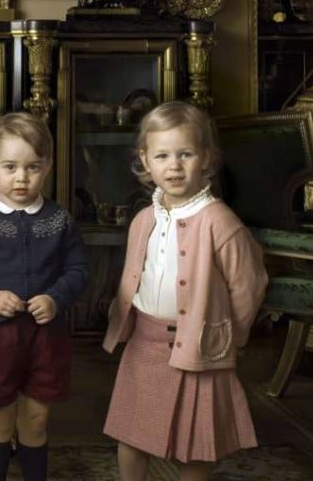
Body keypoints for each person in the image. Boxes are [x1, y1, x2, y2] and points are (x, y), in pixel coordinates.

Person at [103, 101, 268, 481]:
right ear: (145, 161)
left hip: (199, 349)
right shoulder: (144, 218)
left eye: (186, 154)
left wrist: (229, 337)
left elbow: (249, 284)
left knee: (194, 446)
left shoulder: (220, 221)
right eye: (162, 155)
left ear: (206, 158)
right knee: (130, 435)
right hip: (144, 343)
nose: (174, 166)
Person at [0, 112, 89, 481]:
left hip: (46, 338)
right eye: (10, 167)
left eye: (33, 167)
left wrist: (56, 298)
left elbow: (77, 271)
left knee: (37, 418)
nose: (21, 178)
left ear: (48, 168)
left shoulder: (59, 220)